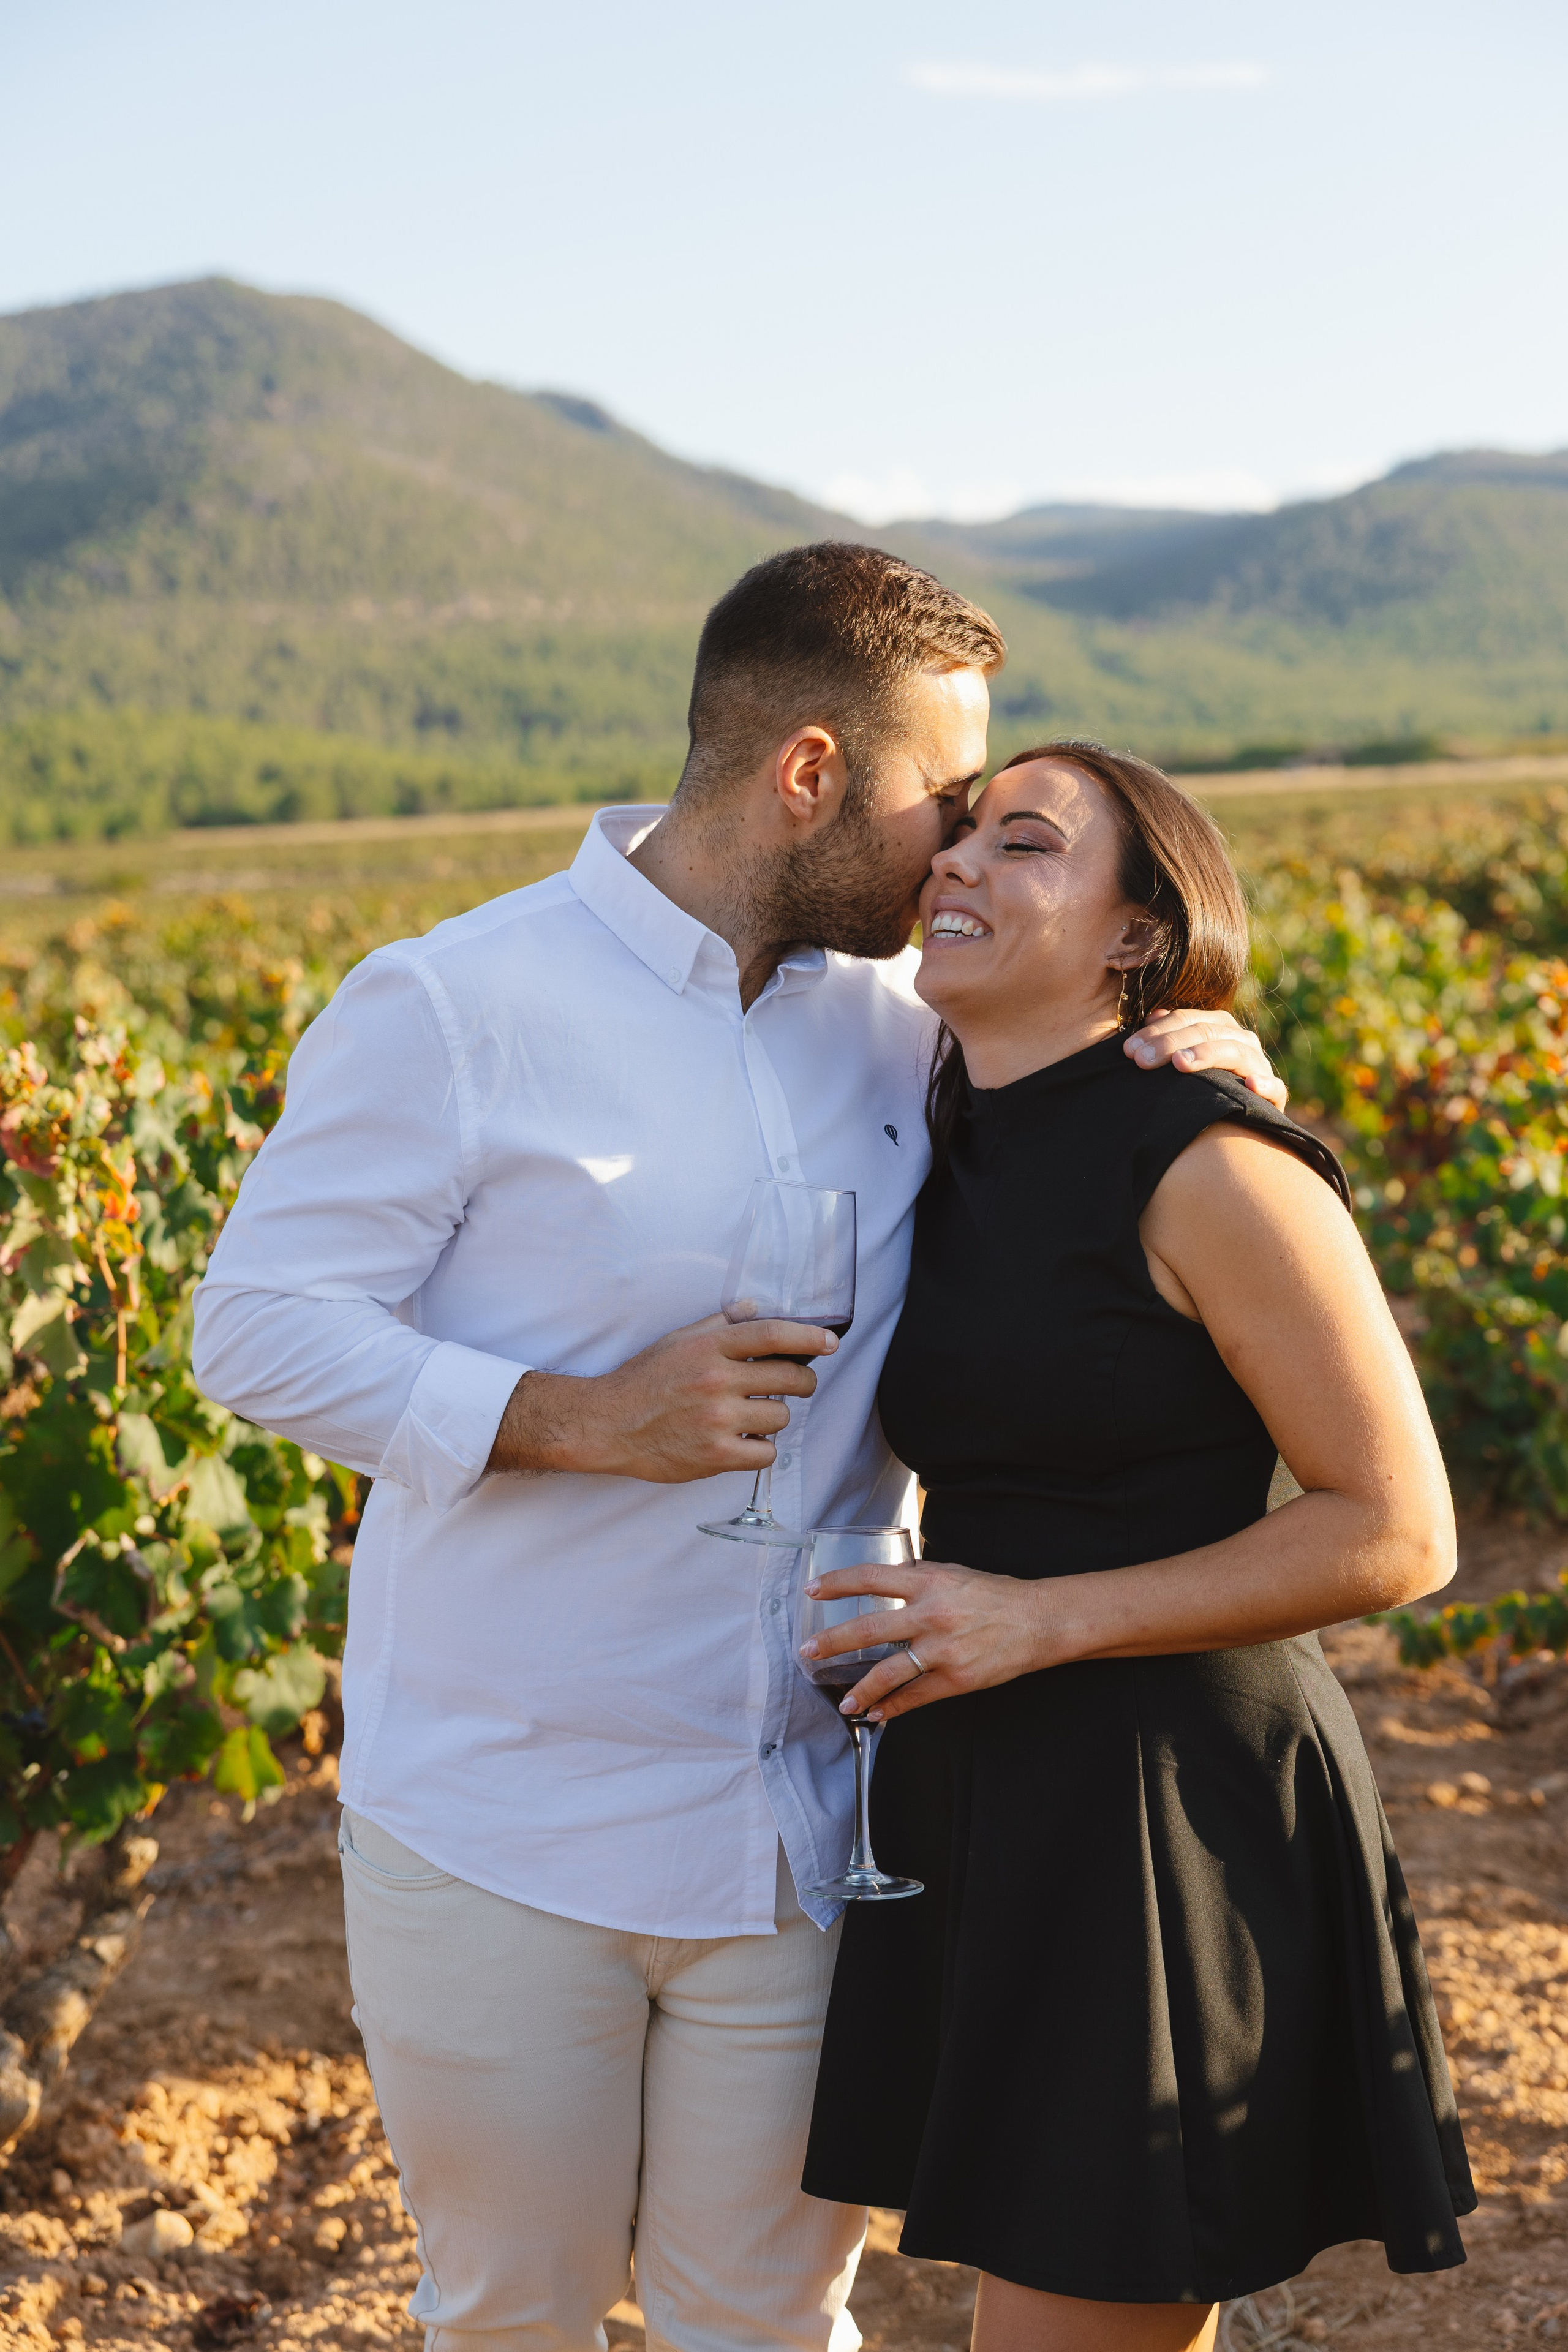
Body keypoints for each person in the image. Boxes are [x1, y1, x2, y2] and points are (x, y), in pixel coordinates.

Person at [191, 551, 1285, 2352]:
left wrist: (1192, 1060)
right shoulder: (456, 1004)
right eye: (943, 798)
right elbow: (259, 1328)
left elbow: (1095, 1194)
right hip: (500, 1818)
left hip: (806, 1824)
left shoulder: (914, 1030)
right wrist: (575, 1421)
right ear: (806, 775)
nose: (955, 849)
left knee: (770, 2321)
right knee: (514, 2314)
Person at [797, 741, 1475, 2352]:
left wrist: (1040, 1621)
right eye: (955, 835)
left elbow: (1402, 1531)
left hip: (1165, 1801)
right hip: (1004, 1771)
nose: (955, 863)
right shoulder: (942, 1123)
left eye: (1022, 843)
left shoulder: (1211, 1162)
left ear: (1132, 939)